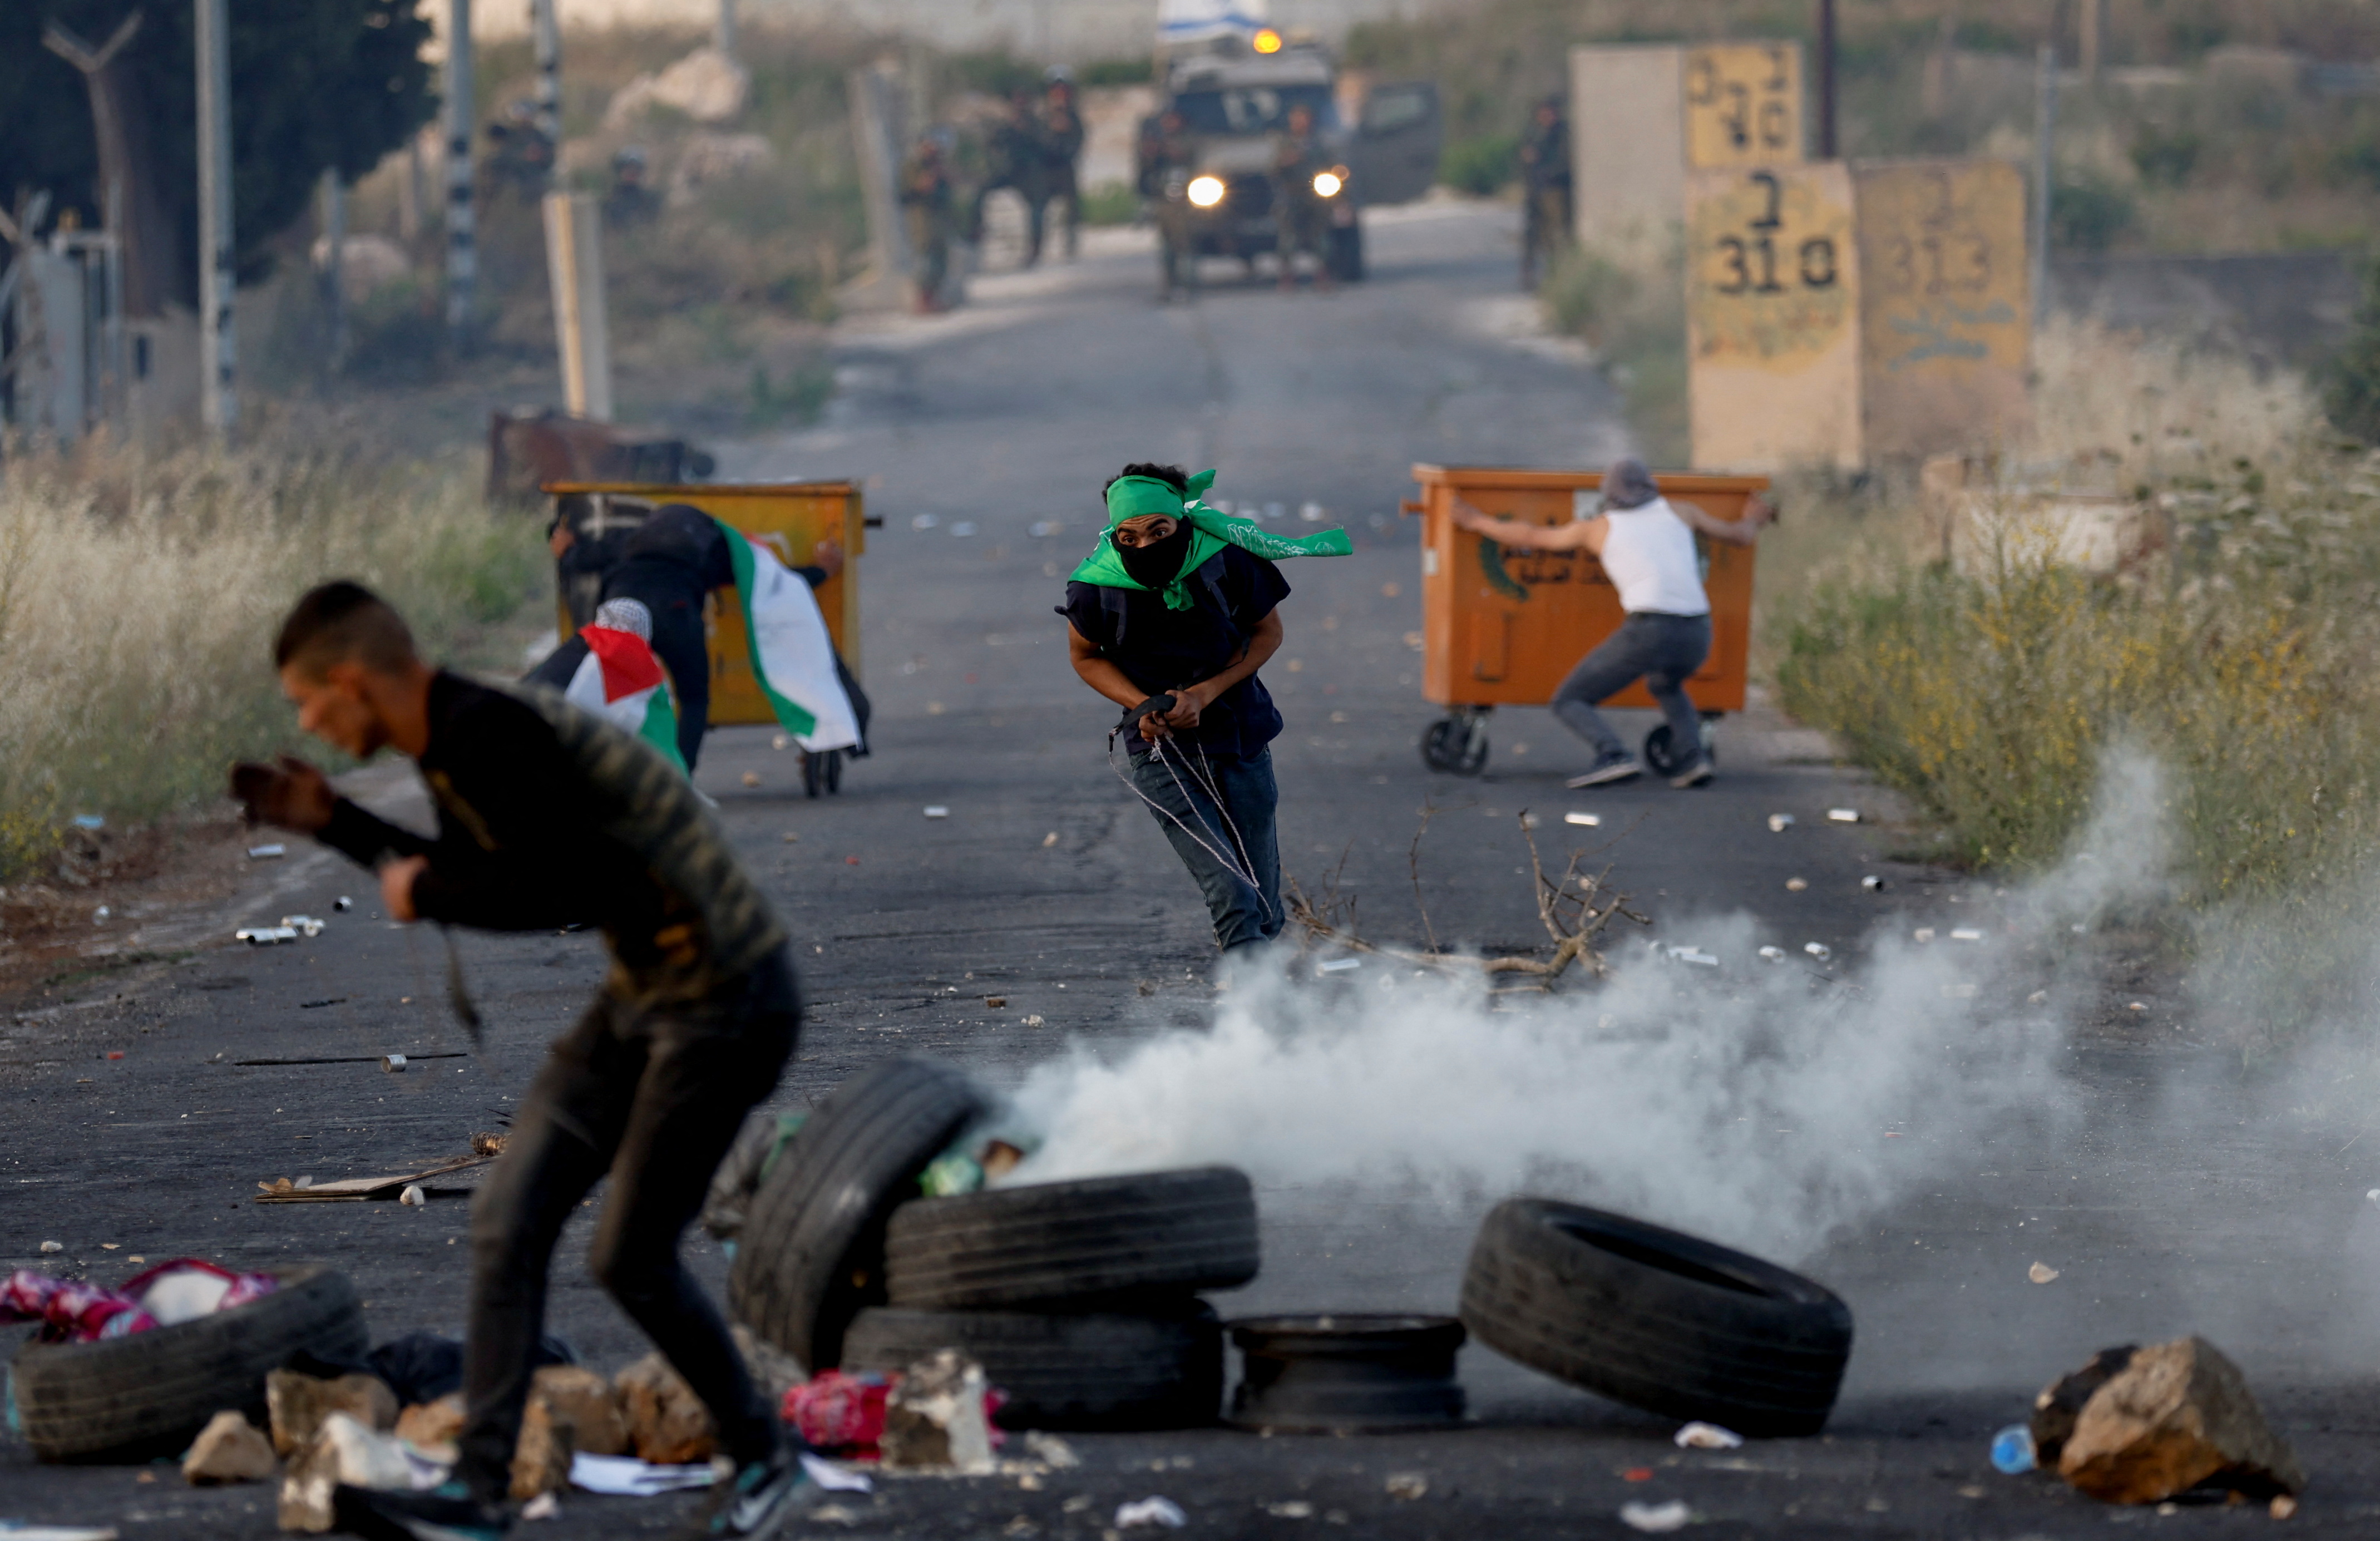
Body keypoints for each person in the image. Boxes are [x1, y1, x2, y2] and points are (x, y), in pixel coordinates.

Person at [229, 582, 812, 1541]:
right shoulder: (452, 735)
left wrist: (419, 884)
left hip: (727, 998)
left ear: (348, 680)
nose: (306, 720)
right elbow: (473, 870)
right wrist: (335, 822)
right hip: (648, 992)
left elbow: (553, 887)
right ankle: (478, 1493)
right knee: (509, 1217)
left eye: (306, 700)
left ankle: (763, 1456)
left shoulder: (483, 731)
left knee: (628, 1256)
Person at [1060, 465, 1349, 956]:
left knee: (1262, 906)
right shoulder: (1096, 585)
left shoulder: (1225, 562)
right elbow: (1085, 657)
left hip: (1240, 738)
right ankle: (1251, 1028)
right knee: (1231, 894)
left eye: (1159, 531)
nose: (1146, 546)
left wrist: (1205, 694)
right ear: (1115, 534)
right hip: (1161, 755)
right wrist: (1142, 706)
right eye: (1129, 537)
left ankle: (1262, 1007)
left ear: (1180, 523)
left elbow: (1267, 633)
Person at [1450, 457, 1775, 789]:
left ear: (1609, 493)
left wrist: (1475, 520)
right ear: (1650, 486)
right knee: (1666, 685)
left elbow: (1532, 537)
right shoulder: (1681, 511)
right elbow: (1740, 536)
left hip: (1651, 627)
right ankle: (1693, 760)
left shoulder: (1599, 527)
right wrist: (1754, 518)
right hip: (1697, 631)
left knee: (1570, 699)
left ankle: (1613, 754)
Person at [545, 505, 865, 774]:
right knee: (694, 699)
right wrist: (822, 571)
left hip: (622, 616)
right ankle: (680, 777)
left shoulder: (628, 540)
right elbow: (764, 583)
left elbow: (577, 559)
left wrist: (565, 545)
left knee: (615, 691)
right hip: (676, 612)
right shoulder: (710, 543)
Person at [970, 92, 1050, 263]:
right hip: (1010, 171)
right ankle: (976, 230)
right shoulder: (1008, 125)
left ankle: (1035, 247)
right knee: (981, 190)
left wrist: (1026, 132)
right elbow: (994, 143)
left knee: (1036, 209)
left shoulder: (1036, 125)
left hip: (1029, 172)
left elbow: (1044, 146)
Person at [1138, 109, 1200, 300]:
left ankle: (1189, 285)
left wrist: (1167, 149)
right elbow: (1146, 170)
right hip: (1164, 201)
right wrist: (1152, 153)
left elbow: (1187, 156)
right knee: (1167, 248)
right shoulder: (1157, 141)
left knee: (1186, 244)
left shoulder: (1189, 139)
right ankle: (1170, 285)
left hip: (1186, 202)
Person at [1270, 103, 1331, 292]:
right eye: (1297, 119)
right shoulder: (1283, 143)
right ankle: (1287, 277)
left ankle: (1322, 275)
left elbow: (1332, 167)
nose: (1301, 123)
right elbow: (1271, 169)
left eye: (1304, 118)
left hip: (1315, 195)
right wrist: (1285, 161)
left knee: (1321, 238)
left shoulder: (1319, 143)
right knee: (1288, 240)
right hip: (1291, 194)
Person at [1518, 94, 1572, 290]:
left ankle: (1559, 276)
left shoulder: (1563, 133)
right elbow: (1524, 158)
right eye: (1543, 113)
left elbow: (1566, 163)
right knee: (1532, 236)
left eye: (1550, 113)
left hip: (1556, 191)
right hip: (1535, 191)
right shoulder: (1533, 134)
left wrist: (1548, 171)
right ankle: (1528, 274)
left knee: (1557, 236)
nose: (1546, 117)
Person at [900, 134, 955, 312]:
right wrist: (923, 184)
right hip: (922, 221)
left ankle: (935, 300)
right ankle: (923, 302)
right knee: (926, 262)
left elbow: (948, 191)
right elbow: (906, 195)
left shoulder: (939, 166)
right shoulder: (913, 168)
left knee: (941, 262)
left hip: (940, 220)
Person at [1037, 76, 1084, 261]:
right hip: (1045, 169)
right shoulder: (1043, 118)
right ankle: (1038, 247)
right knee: (1040, 208)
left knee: (1071, 207)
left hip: (1065, 168)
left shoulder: (1073, 118)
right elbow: (1038, 143)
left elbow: (1077, 143)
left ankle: (1070, 246)